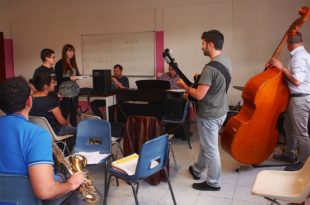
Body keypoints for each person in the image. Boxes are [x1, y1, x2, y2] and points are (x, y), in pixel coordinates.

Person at [0, 76, 85, 205]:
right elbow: (45, 192)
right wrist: (71, 184)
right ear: (29, 101)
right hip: (30, 200)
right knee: (77, 188)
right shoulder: (36, 135)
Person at [177, 30, 232, 191]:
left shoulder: (209, 69)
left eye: (203, 43)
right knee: (207, 144)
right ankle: (197, 169)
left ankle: (213, 182)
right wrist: (201, 78)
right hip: (222, 110)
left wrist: (185, 87)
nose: (201, 47)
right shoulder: (225, 61)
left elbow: (199, 95)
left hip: (209, 115)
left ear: (211, 44)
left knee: (211, 149)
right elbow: (216, 84)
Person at [269, 32, 310, 171]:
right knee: (288, 126)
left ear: (288, 44)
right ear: (302, 41)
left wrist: (282, 68)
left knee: (300, 132)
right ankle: (290, 154)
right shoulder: (302, 55)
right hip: (298, 98)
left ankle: (304, 163)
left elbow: (297, 80)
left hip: (300, 99)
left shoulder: (299, 58)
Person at [30, 68, 77, 154]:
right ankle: (67, 154)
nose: (54, 85)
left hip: (37, 133)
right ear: (45, 86)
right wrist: (68, 125)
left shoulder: (29, 100)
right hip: (54, 132)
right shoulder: (50, 101)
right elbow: (62, 122)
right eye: (52, 83)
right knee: (78, 130)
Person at [55, 44, 80, 127]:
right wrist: (69, 78)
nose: (72, 53)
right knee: (65, 113)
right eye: (69, 51)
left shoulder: (73, 63)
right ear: (65, 52)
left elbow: (76, 75)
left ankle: (75, 133)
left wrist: (79, 77)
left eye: (73, 51)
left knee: (74, 113)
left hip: (74, 92)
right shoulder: (60, 63)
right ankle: (62, 132)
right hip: (65, 92)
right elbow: (58, 78)